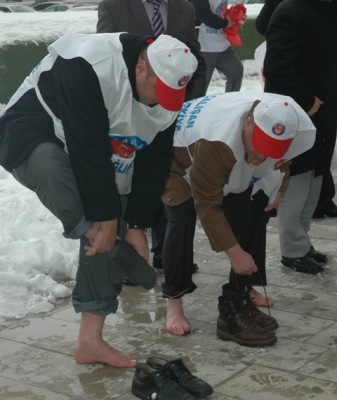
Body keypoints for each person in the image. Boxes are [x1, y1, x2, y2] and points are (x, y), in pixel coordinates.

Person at [0, 32, 198, 367]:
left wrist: (136, 225)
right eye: (158, 92)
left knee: (114, 221)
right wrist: (103, 222)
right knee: (93, 210)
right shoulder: (87, 63)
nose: (160, 102)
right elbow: (87, 150)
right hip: (37, 131)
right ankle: (94, 231)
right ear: (140, 69)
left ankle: (90, 342)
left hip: (105, 141)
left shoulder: (166, 94)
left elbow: (153, 163)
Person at [160, 91, 316, 345]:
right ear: (247, 124)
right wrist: (235, 253)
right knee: (181, 218)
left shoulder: (294, 121)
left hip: (228, 152)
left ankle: (240, 293)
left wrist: (279, 188)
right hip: (179, 157)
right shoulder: (216, 142)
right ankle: (174, 302)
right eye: (260, 146)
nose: (262, 157)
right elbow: (207, 204)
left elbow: (284, 160)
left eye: (271, 149)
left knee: (252, 209)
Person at [97, 0, 207, 274]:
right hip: (128, 111)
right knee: (131, 179)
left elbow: (196, 59)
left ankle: (164, 250)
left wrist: (179, 101)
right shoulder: (114, 5)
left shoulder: (184, 7)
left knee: (164, 174)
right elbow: (105, 56)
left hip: (168, 110)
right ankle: (129, 255)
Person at [263, 0, 337, 273]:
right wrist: (307, 101)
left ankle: (301, 242)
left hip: (323, 113)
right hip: (297, 113)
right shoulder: (290, 11)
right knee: (297, 180)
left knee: (315, 178)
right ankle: (292, 249)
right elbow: (276, 68)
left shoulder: (326, 8)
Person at [191, 0, 244, 92]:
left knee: (236, 70)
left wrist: (235, 15)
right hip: (204, 46)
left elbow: (221, 11)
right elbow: (204, 15)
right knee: (201, 84)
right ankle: (196, 104)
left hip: (222, 44)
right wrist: (226, 23)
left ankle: (231, 101)